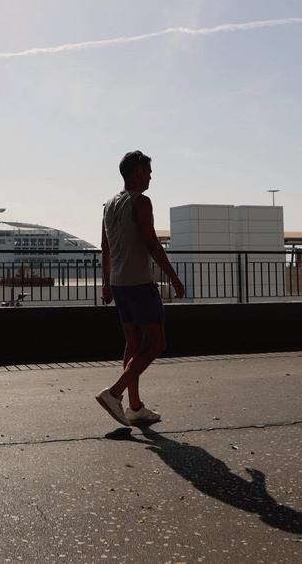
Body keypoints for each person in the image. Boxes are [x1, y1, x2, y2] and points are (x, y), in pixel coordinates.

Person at [96, 150, 185, 427]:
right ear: (135, 173)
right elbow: (151, 243)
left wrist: (106, 284)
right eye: (147, 171)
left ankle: (134, 407)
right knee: (156, 343)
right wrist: (173, 277)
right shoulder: (141, 202)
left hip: (120, 283)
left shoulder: (109, 205)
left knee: (133, 344)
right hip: (139, 283)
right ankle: (114, 393)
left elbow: (105, 247)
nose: (150, 176)